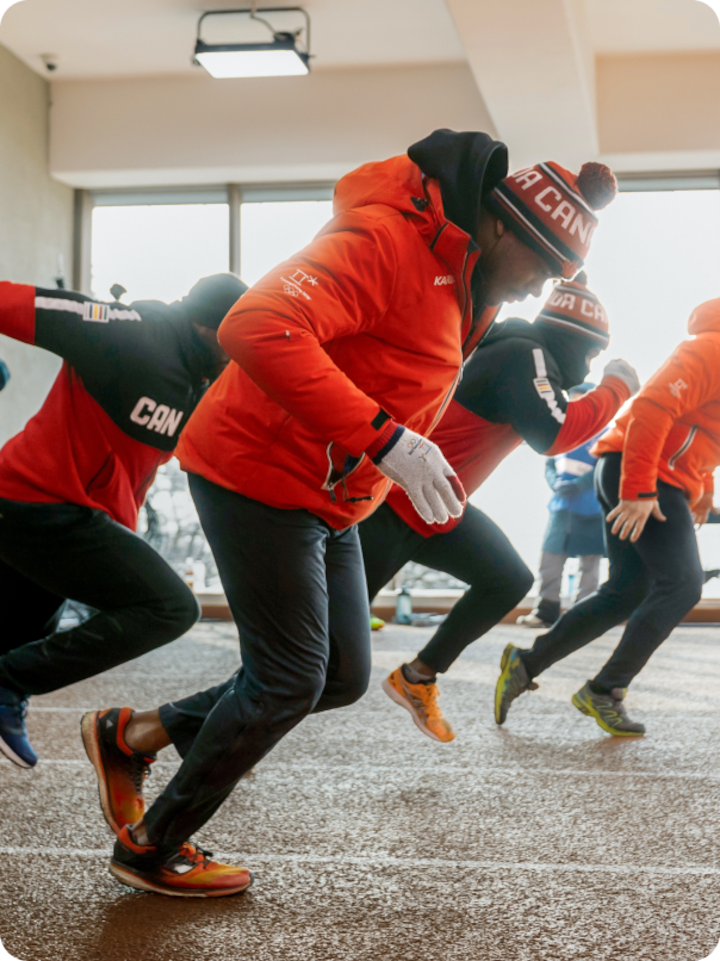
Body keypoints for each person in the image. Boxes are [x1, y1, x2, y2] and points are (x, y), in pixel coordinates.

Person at [82, 130, 613, 899]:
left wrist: (383, 453)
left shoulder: (472, 283)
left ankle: (132, 734)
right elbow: (256, 324)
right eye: (543, 267)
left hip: (333, 492)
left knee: (339, 675)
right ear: (502, 227)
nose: (542, 290)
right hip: (254, 468)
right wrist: (386, 437)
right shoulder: (388, 240)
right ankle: (154, 844)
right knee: (290, 675)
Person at [364, 274, 640, 743]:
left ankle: (417, 677)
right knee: (319, 662)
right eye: (591, 353)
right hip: (389, 506)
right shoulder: (523, 354)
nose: (590, 364)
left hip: (433, 505)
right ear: (574, 340)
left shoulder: (525, 353)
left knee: (509, 579)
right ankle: (209, 726)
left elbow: (554, 411)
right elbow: (555, 434)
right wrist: (616, 387)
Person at [0, 273, 247, 773]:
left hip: (67, 518)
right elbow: (12, 302)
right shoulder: (125, 330)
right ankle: (8, 682)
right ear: (205, 329)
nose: (234, 362)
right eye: (229, 348)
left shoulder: (204, 383)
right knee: (169, 607)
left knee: (21, 637)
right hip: (36, 502)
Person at [495, 296, 720, 737]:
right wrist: (638, 489)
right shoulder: (711, 348)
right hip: (640, 471)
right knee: (682, 585)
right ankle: (605, 689)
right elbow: (653, 406)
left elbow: (706, 437)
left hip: (659, 475)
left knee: (625, 590)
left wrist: (703, 490)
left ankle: (526, 663)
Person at [517, 384, 607, 629]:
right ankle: (546, 611)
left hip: (592, 507)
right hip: (560, 506)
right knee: (550, 559)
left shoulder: (606, 432)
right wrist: (555, 484)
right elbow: (549, 464)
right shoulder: (561, 430)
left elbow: (605, 468)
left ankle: (583, 616)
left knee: (590, 564)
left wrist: (579, 485)